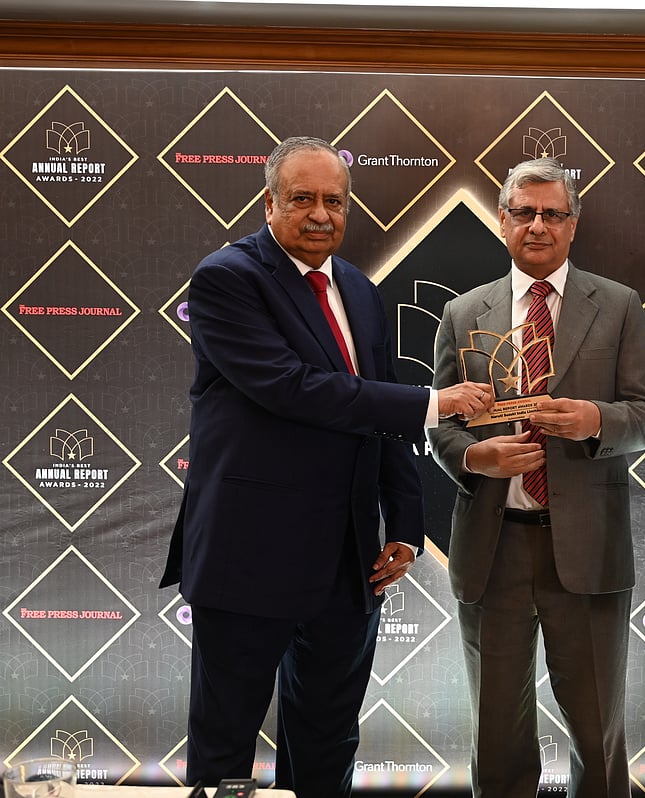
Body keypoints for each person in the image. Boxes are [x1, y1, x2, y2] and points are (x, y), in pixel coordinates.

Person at [159, 136, 493, 798]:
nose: (320, 215)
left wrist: (402, 518)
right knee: (226, 747)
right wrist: (433, 401)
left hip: (347, 562)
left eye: (334, 201)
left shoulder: (361, 292)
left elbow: (378, 414)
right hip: (247, 557)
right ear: (270, 202)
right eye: (303, 199)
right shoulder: (227, 278)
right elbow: (292, 388)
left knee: (328, 741)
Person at [428, 157, 645, 798]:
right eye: (524, 212)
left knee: (597, 732)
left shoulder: (617, 305)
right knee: (496, 734)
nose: (537, 225)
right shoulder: (463, 312)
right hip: (492, 544)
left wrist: (593, 419)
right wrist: (476, 458)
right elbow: (439, 423)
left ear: (573, 223)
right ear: (503, 220)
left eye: (552, 213)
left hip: (586, 545)